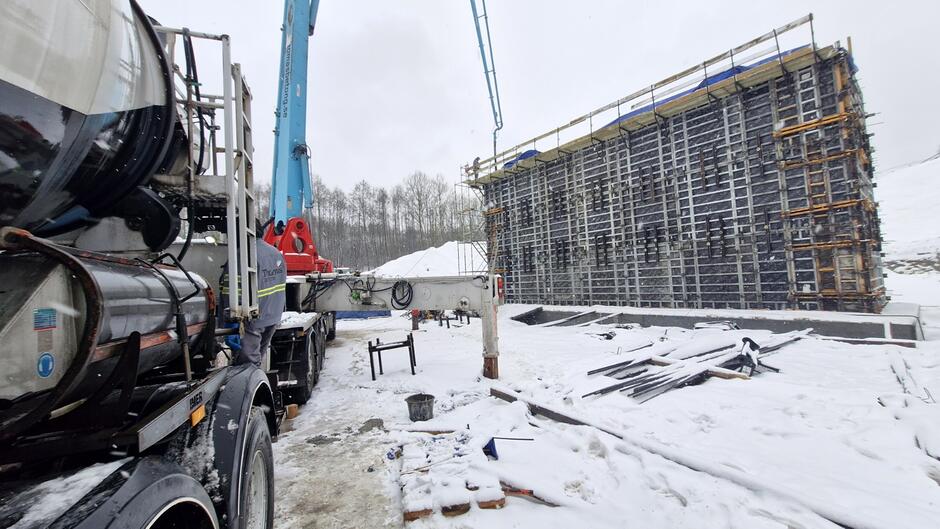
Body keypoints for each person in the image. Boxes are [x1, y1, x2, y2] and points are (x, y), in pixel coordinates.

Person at [219, 239, 286, 367]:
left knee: (247, 366)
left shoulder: (242, 255)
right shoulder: (275, 252)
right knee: (257, 359)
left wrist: (231, 322)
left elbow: (233, 291)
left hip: (251, 320)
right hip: (272, 315)